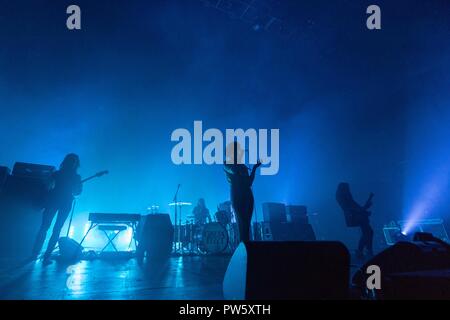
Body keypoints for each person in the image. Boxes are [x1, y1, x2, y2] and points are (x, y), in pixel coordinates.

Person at [31, 153, 82, 263]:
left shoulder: (57, 174)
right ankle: (45, 256)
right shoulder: (73, 177)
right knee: (52, 228)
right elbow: (77, 192)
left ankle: (37, 254)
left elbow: (47, 187)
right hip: (60, 202)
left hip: (55, 202)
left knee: (46, 227)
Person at [224, 142, 261, 242]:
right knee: (241, 222)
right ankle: (243, 247)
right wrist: (238, 161)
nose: (240, 152)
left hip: (248, 195)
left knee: (247, 223)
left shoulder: (243, 166)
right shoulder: (227, 163)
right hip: (237, 194)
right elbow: (234, 171)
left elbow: (249, 182)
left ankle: (247, 247)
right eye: (237, 150)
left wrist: (254, 168)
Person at [336, 182, 374, 260]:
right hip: (355, 217)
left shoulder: (346, 198)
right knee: (368, 232)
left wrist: (364, 210)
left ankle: (364, 251)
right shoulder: (344, 199)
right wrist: (364, 209)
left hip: (357, 216)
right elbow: (351, 208)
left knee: (367, 232)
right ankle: (364, 251)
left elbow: (356, 207)